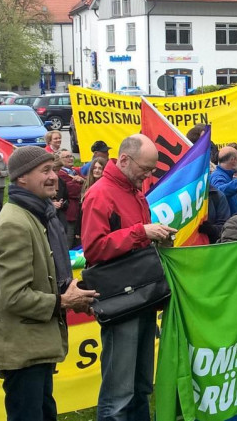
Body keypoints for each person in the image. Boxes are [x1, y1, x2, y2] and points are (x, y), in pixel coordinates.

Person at [0, 146, 96, 420]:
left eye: (54, 170)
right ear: (21, 177)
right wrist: (63, 301)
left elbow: (43, 276)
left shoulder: (37, 214)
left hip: (35, 346)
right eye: (45, 171)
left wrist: (72, 293)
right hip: (22, 349)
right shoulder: (16, 224)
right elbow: (13, 296)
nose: (54, 176)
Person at [81, 134, 177, 421]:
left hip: (141, 296)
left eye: (152, 170)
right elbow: (94, 249)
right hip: (121, 301)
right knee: (119, 392)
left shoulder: (133, 191)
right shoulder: (100, 194)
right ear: (124, 160)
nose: (148, 176)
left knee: (141, 385)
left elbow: (132, 241)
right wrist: (141, 233)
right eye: (145, 169)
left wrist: (155, 237)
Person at [56, 150, 84, 248]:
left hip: (77, 212)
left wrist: (81, 181)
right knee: (68, 240)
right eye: (67, 157)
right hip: (68, 212)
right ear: (60, 160)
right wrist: (81, 183)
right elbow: (72, 191)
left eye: (71, 156)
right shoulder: (60, 173)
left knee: (77, 241)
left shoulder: (75, 171)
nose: (70, 158)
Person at [210, 146, 237, 215]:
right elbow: (219, 192)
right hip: (228, 221)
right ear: (233, 160)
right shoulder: (217, 176)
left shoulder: (227, 176)